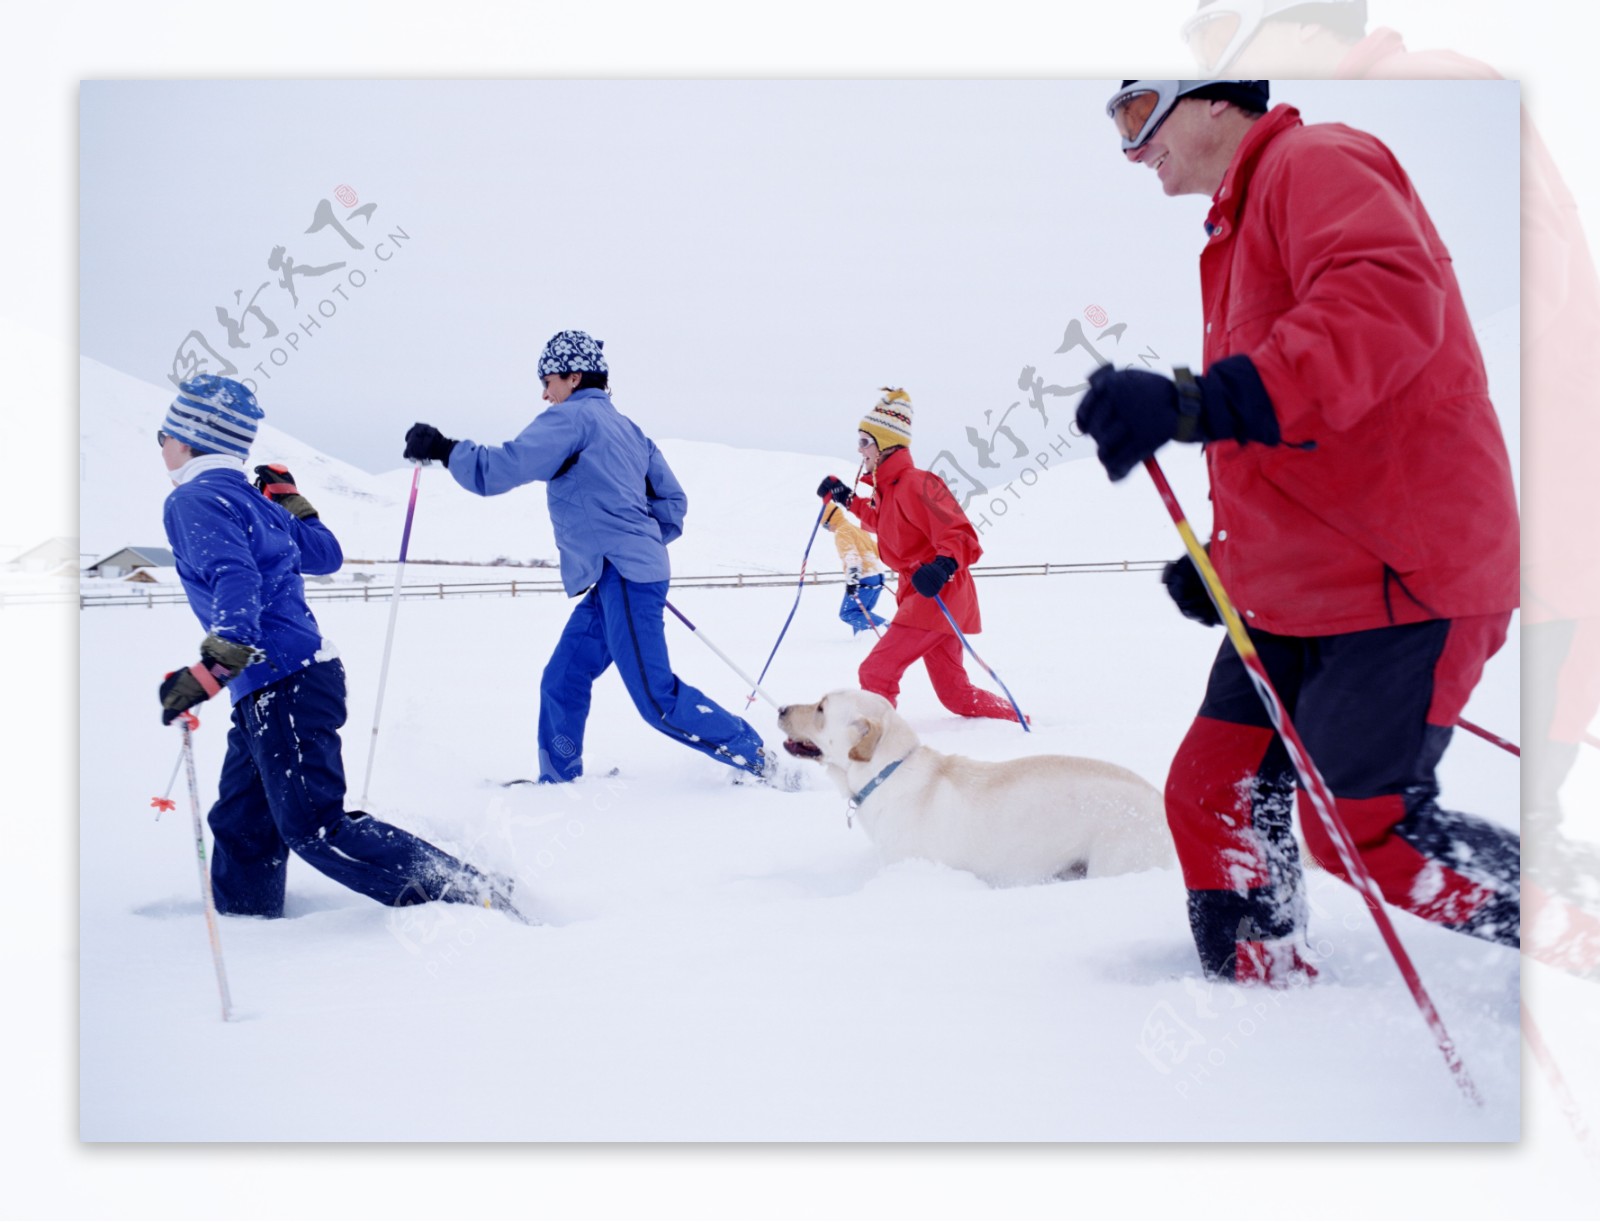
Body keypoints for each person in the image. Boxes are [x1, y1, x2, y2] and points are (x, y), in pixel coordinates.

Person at [1075, 79, 1520, 983]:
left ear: (1215, 98)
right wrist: (1225, 567)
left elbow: (1381, 316)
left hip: (1400, 579)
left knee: (1363, 825)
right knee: (1213, 793)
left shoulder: (1314, 164)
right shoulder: (1235, 234)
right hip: (1293, 595)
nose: (1131, 149)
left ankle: (1569, 926)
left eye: (1137, 114)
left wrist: (1194, 404)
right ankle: (1263, 990)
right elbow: (1298, 442)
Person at [157, 375, 517, 919]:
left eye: (163, 432)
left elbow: (236, 580)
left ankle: (470, 895)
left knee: (316, 828)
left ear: (188, 439)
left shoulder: (194, 499)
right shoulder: (254, 502)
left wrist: (212, 667)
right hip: (284, 681)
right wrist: (290, 500)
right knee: (242, 822)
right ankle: (246, 921)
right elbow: (325, 554)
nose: (160, 443)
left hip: (281, 680)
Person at [402, 330, 773, 784]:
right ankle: (558, 781)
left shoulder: (570, 420)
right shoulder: (630, 431)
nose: (545, 393)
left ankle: (756, 758)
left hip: (627, 576)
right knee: (563, 678)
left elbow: (499, 469)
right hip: (617, 575)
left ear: (574, 377)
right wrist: (639, 540)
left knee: (656, 699)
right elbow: (673, 504)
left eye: (549, 380)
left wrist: (443, 448)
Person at [816, 388, 1019, 723]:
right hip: (921, 593)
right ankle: (1018, 719)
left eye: (865, 440)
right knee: (955, 694)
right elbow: (882, 522)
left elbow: (961, 534)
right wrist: (847, 498)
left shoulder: (917, 483)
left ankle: (878, 748)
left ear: (885, 444)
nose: (859, 449)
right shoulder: (889, 490)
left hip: (938, 592)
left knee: (876, 671)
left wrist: (942, 565)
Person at [822, 501, 887, 636]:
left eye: (825, 525)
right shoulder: (857, 529)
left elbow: (852, 557)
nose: (828, 530)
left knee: (848, 613)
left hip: (864, 577)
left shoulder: (842, 532)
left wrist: (852, 581)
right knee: (862, 614)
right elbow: (877, 550)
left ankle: (890, 630)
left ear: (831, 520)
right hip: (877, 576)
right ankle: (861, 640)